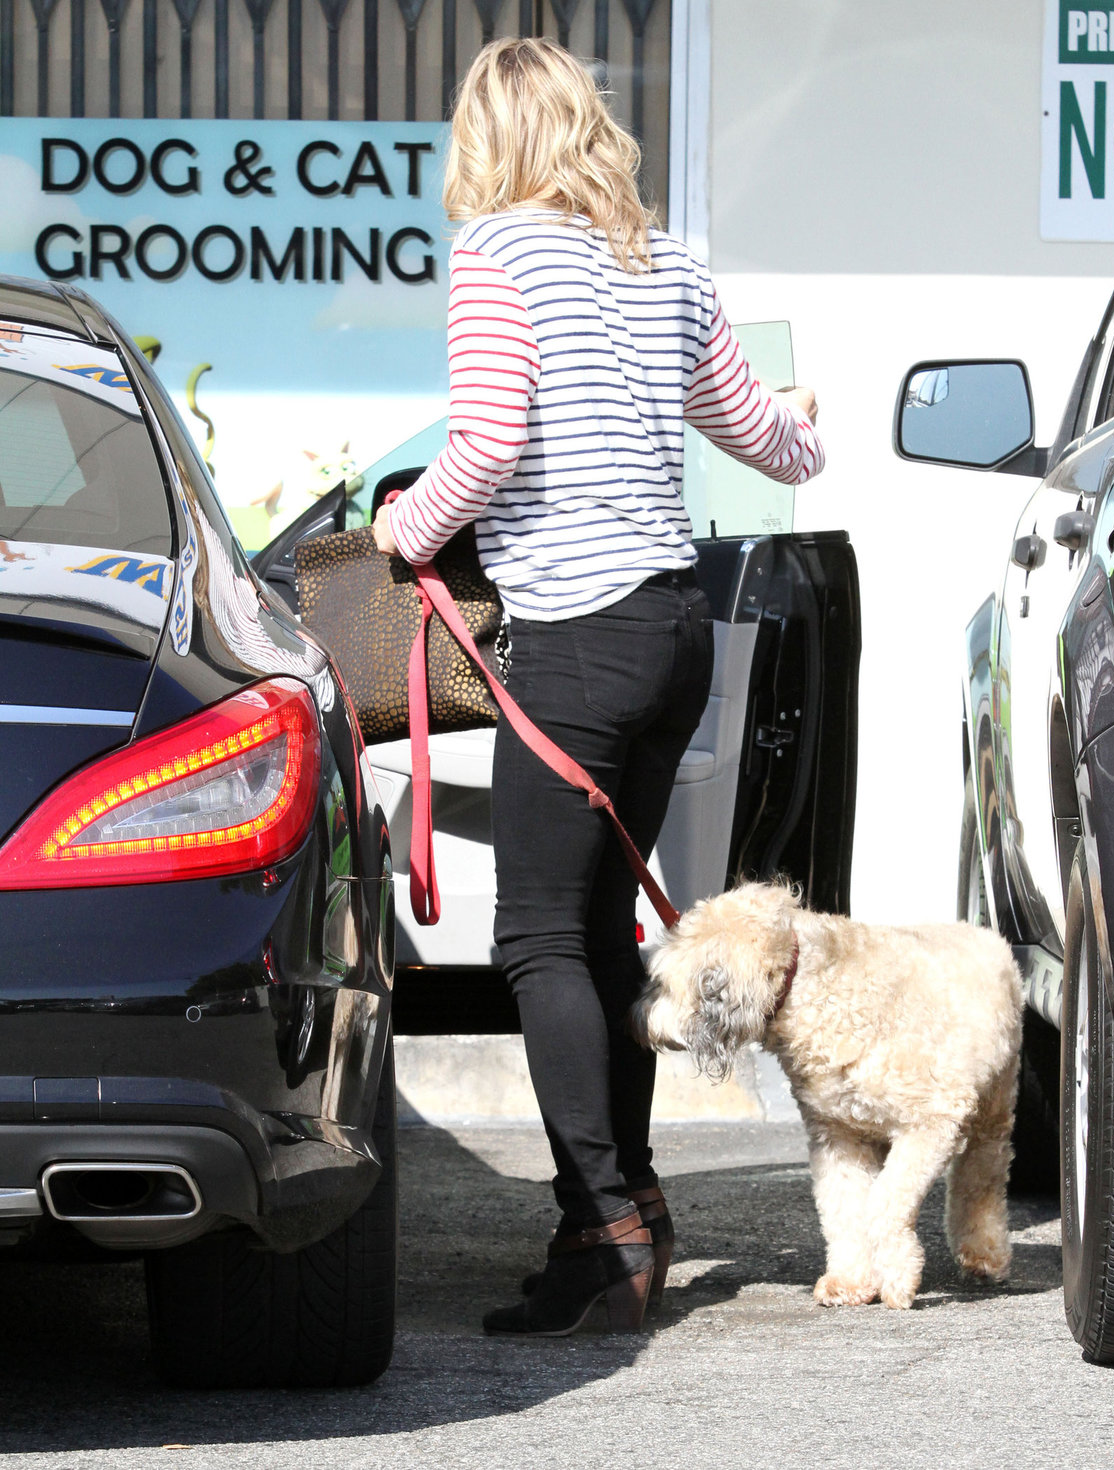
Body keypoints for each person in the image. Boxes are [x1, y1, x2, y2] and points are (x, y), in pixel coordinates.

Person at [372, 36, 824, 1337]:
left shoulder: (499, 257)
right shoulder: (665, 259)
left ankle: (608, 1224)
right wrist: (814, 428)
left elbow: (493, 439)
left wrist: (405, 532)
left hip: (575, 633)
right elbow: (753, 425)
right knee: (606, 927)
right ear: (587, 126)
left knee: (535, 937)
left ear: (489, 138)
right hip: (676, 628)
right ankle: (622, 1222)